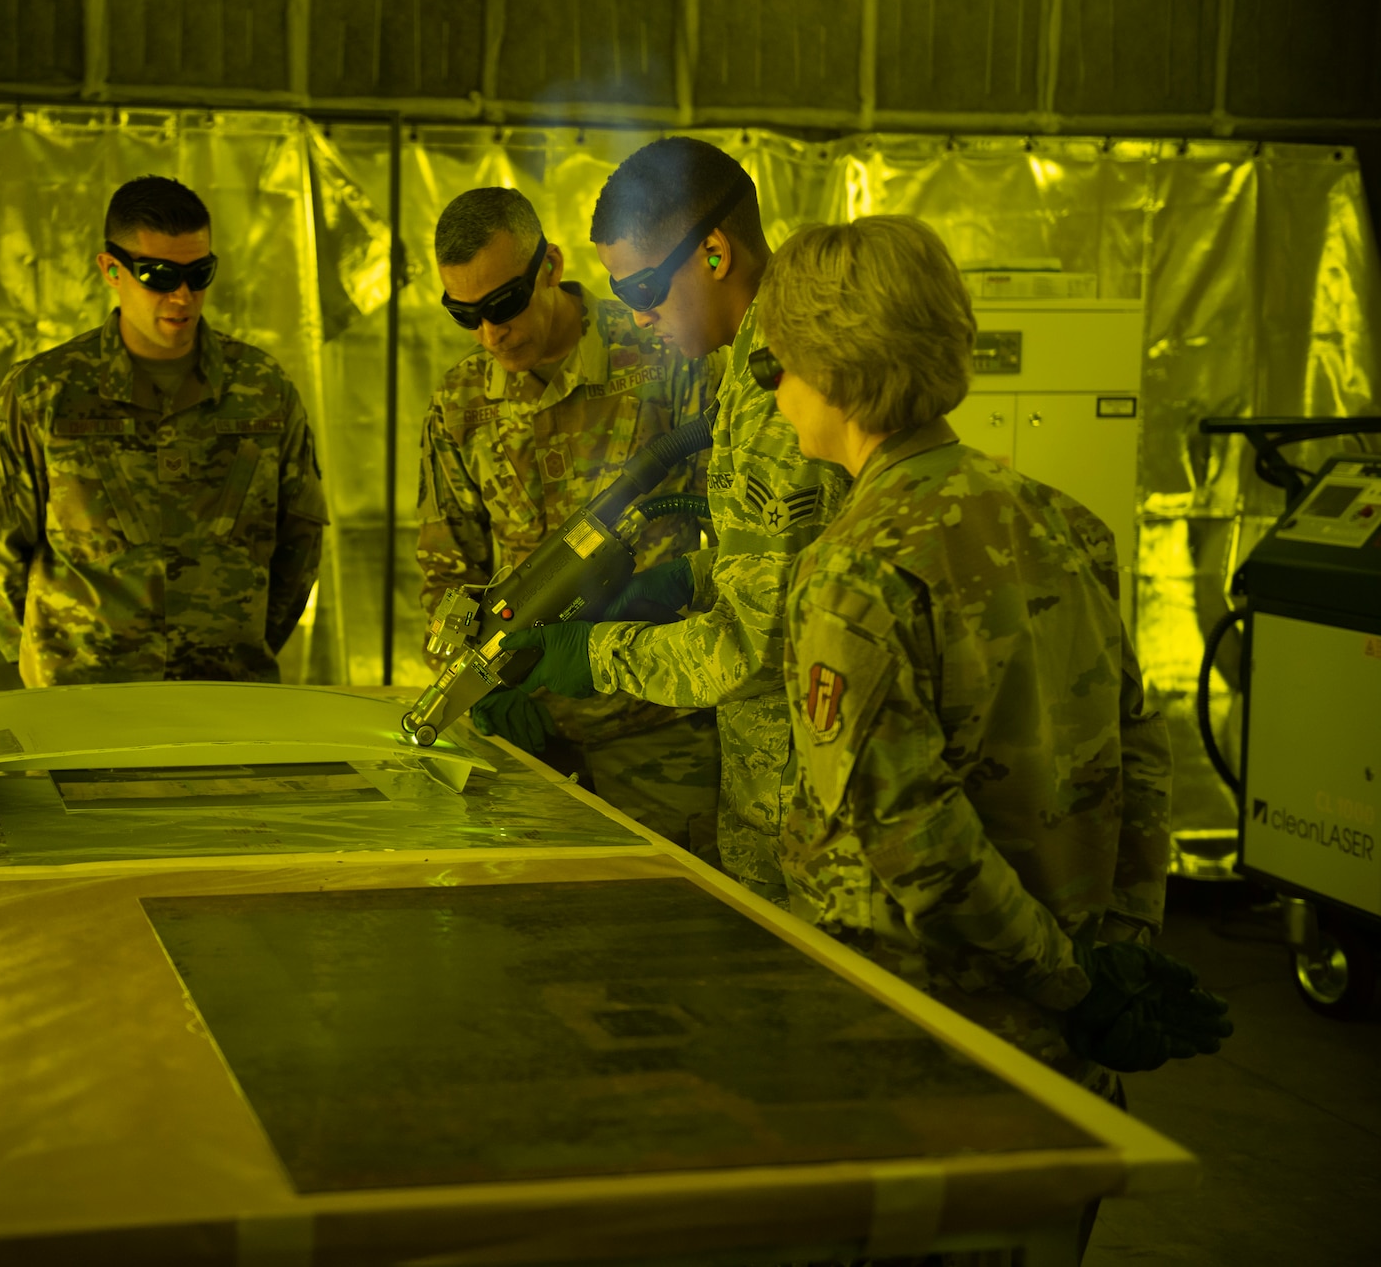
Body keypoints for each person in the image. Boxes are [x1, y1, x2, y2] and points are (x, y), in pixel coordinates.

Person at [757, 215, 1228, 1101]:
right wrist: (1115, 958)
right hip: (1070, 1046)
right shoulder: (1062, 518)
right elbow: (1141, 752)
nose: (774, 391)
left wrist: (1068, 982)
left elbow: (915, 837)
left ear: (835, 368)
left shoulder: (857, 564)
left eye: (775, 363)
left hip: (928, 1044)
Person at [501, 139, 848, 901]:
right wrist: (686, 578)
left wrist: (594, 655)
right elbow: (791, 568)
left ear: (715, 254)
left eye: (646, 288)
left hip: (812, 824)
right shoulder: (755, 363)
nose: (641, 314)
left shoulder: (781, 392)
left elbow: (751, 650)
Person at [416, 188, 718, 846]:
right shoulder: (463, 400)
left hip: (657, 732)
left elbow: (735, 533)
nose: (490, 333)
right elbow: (447, 568)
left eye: (504, 304)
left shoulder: (661, 353)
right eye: (465, 314)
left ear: (549, 266)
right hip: (526, 743)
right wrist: (474, 683)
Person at [0, 176, 329, 685]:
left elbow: (299, 540)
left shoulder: (262, 390)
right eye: (159, 275)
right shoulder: (44, 394)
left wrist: (240, 643)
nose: (183, 295)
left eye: (200, 273)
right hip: (85, 699)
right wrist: (46, 654)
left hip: (227, 694)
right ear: (111, 270)